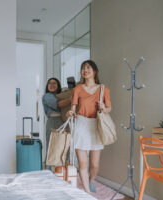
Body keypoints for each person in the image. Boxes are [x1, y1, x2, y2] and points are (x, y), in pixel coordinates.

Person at [67, 60, 111, 193]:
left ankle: (91, 180)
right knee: (83, 163)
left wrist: (104, 108)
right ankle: (88, 192)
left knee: (95, 165)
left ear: (95, 71)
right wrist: (71, 112)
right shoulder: (77, 89)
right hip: (81, 124)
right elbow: (73, 108)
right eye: (83, 68)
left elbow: (109, 108)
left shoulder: (103, 89)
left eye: (88, 67)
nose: (85, 70)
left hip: (96, 125)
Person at [42, 78, 71, 170]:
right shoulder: (47, 96)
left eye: (54, 83)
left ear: (58, 85)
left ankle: (64, 172)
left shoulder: (62, 95)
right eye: (49, 83)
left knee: (65, 147)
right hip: (53, 122)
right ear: (47, 86)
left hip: (64, 121)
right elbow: (59, 105)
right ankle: (48, 172)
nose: (51, 85)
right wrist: (71, 98)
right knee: (52, 147)